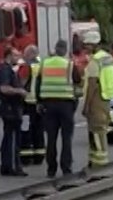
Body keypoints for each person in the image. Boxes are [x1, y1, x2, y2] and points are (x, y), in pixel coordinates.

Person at [33, 38, 79, 177]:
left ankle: (51, 168)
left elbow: (38, 84)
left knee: (51, 138)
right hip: (66, 105)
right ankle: (66, 167)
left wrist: (38, 102)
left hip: (48, 104)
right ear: (64, 50)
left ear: (55, 48)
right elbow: (77, 82)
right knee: (66, 138)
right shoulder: (69, 65)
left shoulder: (45, 63)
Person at [81, 28, 113, 167]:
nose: (85, 48)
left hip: (97, 98)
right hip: (106, 97)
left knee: (96, 131)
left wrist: (86, 105)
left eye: (87, 45)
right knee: (100, 130)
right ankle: (96, 161)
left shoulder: (95, 61)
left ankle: (99, 163)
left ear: (93, 44)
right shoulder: (107, 57)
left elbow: (92, 85)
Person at [0, 45, 29, 177]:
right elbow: (4, 88)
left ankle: (6, 165)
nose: (17, 58)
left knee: (9, 137)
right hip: (10, 108)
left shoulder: (7, 70)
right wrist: (20, 91)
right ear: (9, 56)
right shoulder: (5, 71)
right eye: (15, 55)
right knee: (13, 137)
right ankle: (13, 166)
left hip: (11, 108)